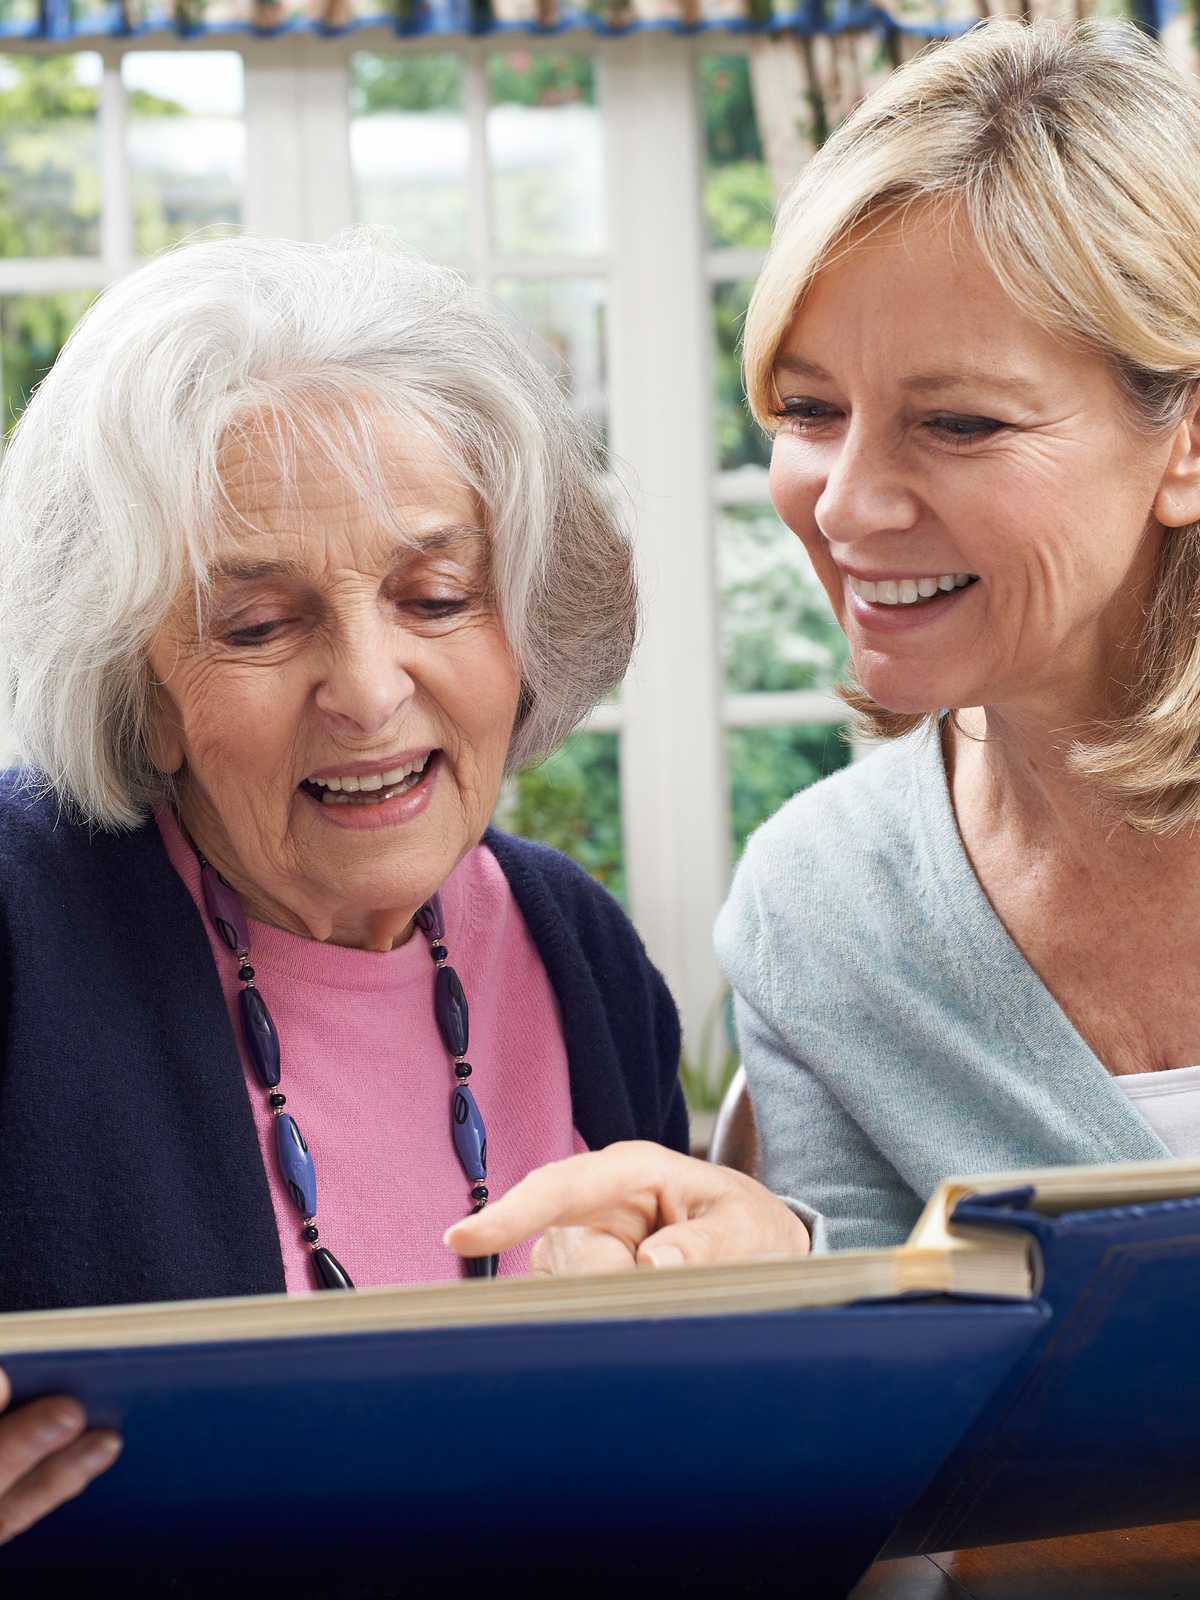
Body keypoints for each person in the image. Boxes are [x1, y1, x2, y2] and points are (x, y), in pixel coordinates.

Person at [448, 16, 1200, 1272]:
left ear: (1184, 443)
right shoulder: (824, 908)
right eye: (808, 410)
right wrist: (778, 1268)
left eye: (956, 422)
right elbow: (886, 1341)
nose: (845, 505)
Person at [0, 232, 685, 1541]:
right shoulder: (19, 926)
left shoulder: (580, 952)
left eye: (437, 597)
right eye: (259, 625)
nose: (369, 691)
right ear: (138, 687)